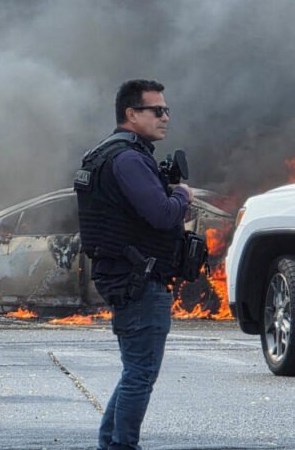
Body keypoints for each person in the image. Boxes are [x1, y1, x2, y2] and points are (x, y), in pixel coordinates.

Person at [74, 79, 194, 449]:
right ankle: (122, 445)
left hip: (128, 277)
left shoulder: (110, 153)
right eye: (157, 110)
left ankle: (111, 443)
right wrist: (182, 196)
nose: (165, 117)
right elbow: (162, 214)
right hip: (140, 281)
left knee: (135, 372)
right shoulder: (128, 159)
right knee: (140, 374)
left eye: (166, 110)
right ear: (131, 113)